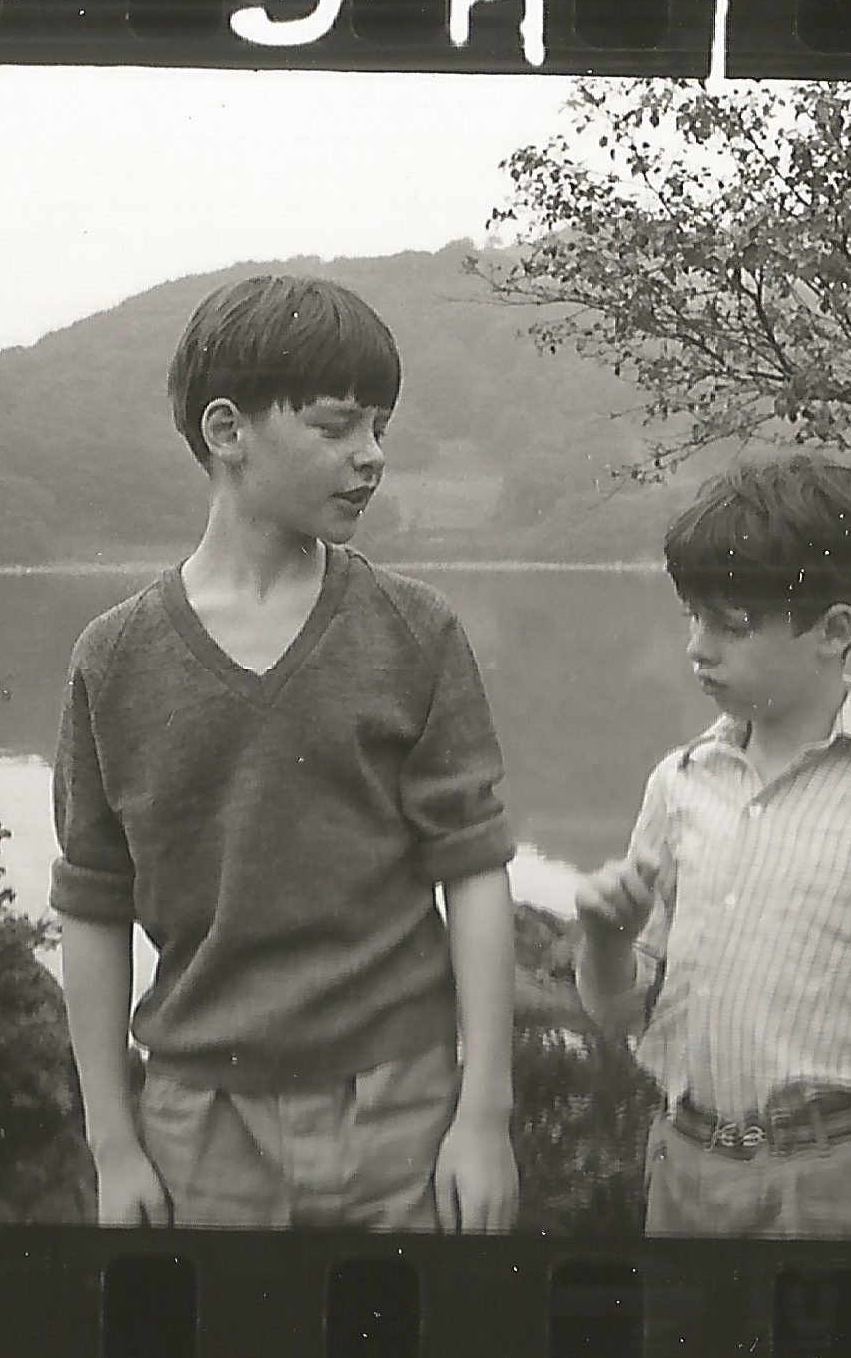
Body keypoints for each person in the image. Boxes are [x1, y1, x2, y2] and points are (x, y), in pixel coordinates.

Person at [52, 275, 520, 1231]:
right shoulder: (114, 657)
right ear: (226, 431)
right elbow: (93, 907)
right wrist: (112, 1143)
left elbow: (474, 875)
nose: (372, 456)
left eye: (380, 426)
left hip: (401, 1103)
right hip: (198, 1118)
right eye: (337, 426)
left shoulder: (415, 631)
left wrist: (485, 1112)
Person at [570, 457, 851, 1240]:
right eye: (692, 618)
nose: (698, 648)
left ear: (834, 630)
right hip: (688, 1169)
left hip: (842, 1178)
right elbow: (622, 1013)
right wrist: (606, 939)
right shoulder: (678, 783)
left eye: (730, 625)